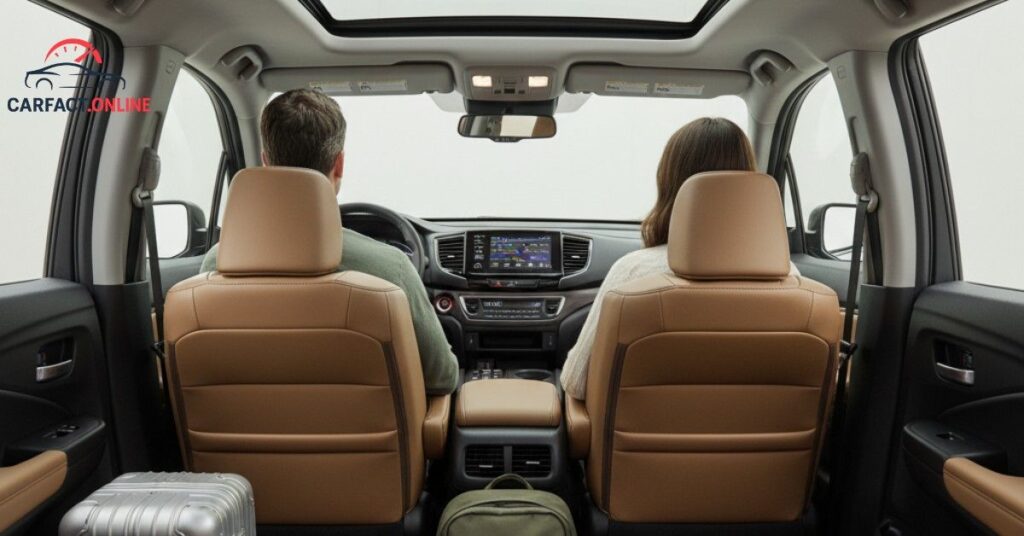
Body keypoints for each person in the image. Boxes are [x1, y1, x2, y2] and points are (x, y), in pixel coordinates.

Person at [200, 88, 459, 395]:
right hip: (369, 444)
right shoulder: (392, 270)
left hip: (240, 442)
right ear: (339, 165)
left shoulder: (217, 267)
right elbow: (441, 378)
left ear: (266, 162)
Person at [560, 117, 772, 401]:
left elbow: (575, 383)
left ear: (669, 184)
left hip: (636, 447)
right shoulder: (793, 282)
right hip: (766, 447)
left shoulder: (634, 273)